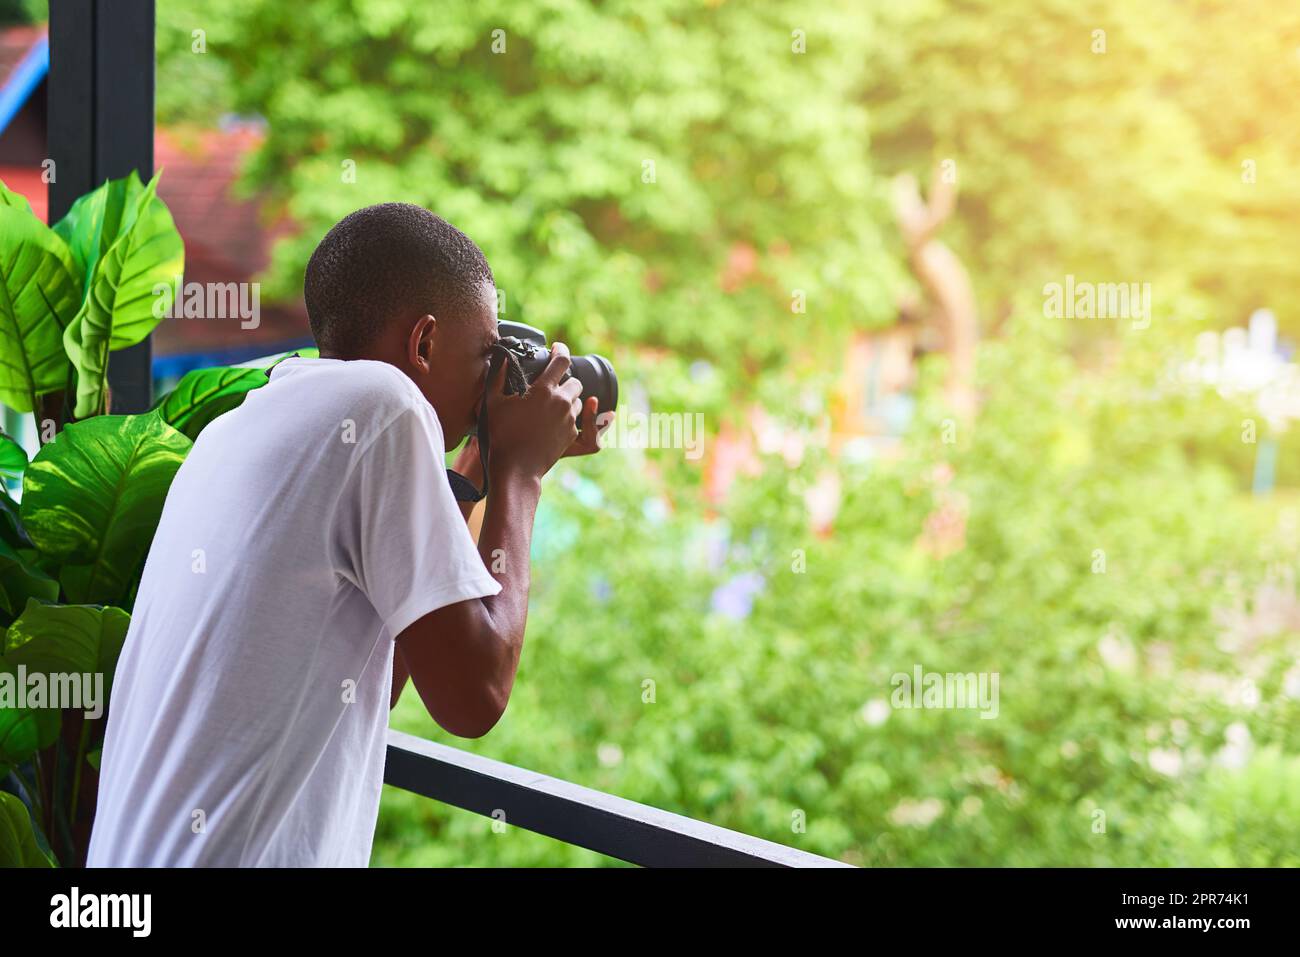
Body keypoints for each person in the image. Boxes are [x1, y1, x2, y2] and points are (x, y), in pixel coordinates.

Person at [86, 202, 609, 866]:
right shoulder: (386, 406)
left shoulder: (246, 425)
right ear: (423, 342)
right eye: (487, 355)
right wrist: (520, 476)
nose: (491, 380)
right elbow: (473, 696)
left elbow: (372, 680)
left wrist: (475, 467)